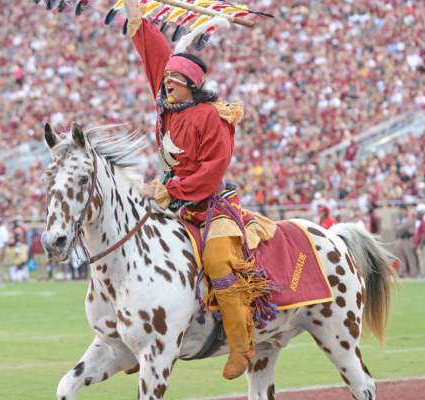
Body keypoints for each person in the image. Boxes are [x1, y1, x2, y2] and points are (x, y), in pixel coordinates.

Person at [124, 0, 275, 380]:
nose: (167, 84)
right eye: (167, 79)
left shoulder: (212, 117)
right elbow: (149, 44)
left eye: (175, 81)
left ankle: (242, 344)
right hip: (171, 201)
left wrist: (169, 190)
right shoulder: (166, 101)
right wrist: (132, 9)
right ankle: (141, 337)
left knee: (219, 261)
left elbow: (212, 172)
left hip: (209, 205)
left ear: (191, 86)